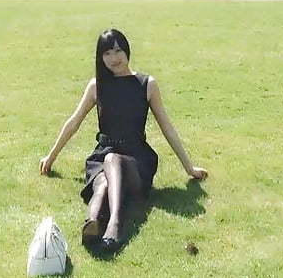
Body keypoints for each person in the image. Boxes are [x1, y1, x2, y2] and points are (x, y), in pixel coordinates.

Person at [39, 29, 208, 254]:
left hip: (137, 160)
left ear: (127, 51)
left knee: (112, 160)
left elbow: (166, 128)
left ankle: (115, 223)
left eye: (118, 50)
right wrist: (51, 157)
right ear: (100, 57)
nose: (114, 58)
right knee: (102, 182)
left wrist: (189, 168)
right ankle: (92, 222)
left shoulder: (147, 84)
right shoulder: (97, 86)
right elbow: (74, 122)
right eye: (107, 53)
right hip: (102, 155)